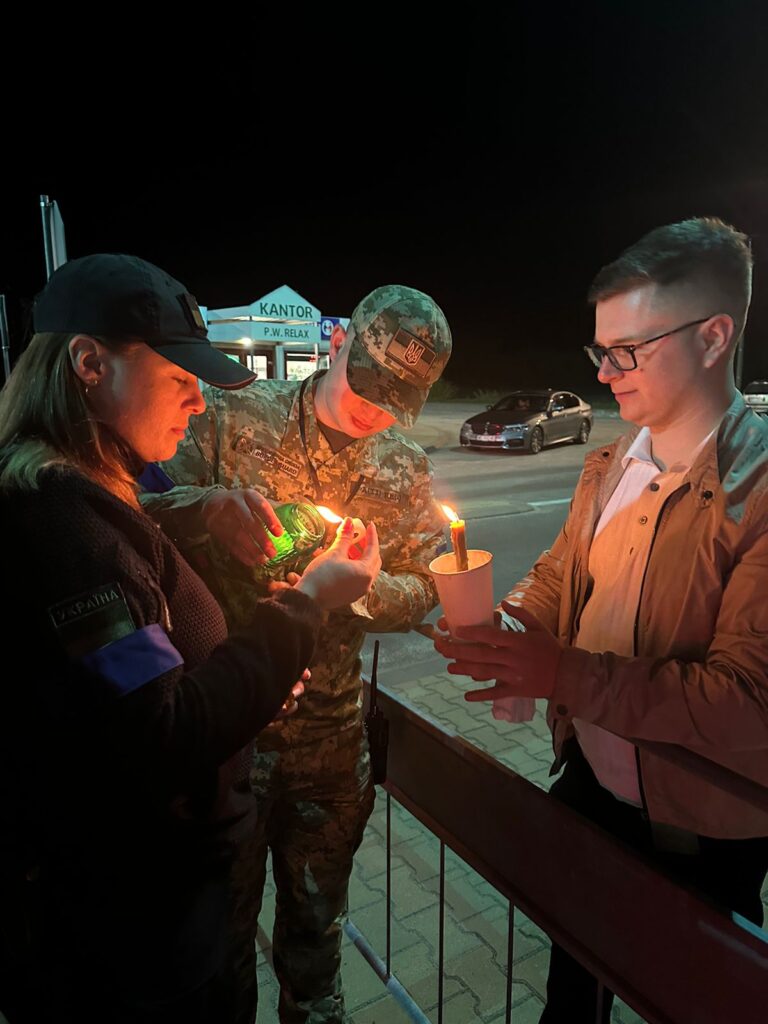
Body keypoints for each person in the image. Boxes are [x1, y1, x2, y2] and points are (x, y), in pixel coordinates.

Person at [0, 253, 380, 1024]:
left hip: (141, 914)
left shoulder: (89, 495)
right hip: (132, 936)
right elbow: (165, 731)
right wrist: (305, 607)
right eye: (179, 378)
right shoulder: (70, 537)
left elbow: (144, 682)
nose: (199, 402)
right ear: (89, 364)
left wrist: (257, 666)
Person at [432, 217, 768, 1023]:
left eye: (629, 350)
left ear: (714, 336)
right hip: (589, 782)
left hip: (703, 830)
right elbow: (562, 572)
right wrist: (512, 627)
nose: (606, 373)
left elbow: (746, 704)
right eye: (600, 351)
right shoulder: (615, 456)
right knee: (570, 992)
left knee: (688, 997)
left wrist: (564, 674)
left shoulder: (756, 492)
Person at [143, 284, 452, 1022]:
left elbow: (429, 584)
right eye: (369, 387)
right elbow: (138, 520)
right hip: (228, 740)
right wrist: (211, 513)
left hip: (330, 749)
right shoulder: (231, 415)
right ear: (340, 341)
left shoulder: (402, 465)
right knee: (218, 952)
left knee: (316, 948)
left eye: (395, 402)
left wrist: (367, 593)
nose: (375, 412)